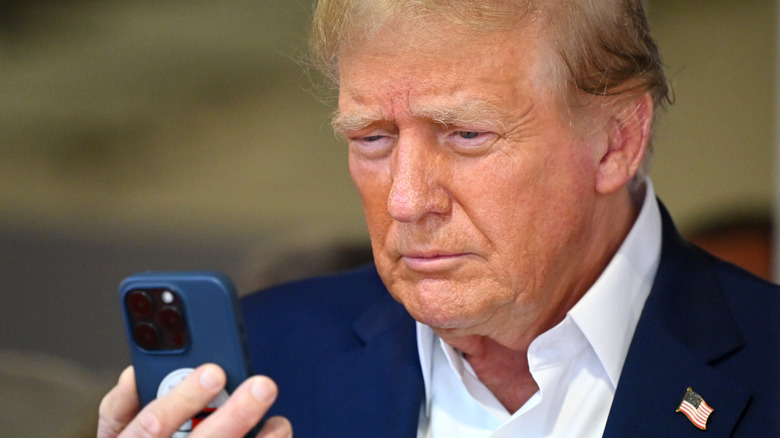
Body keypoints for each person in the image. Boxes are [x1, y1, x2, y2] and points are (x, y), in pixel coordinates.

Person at [98, 0, 780, 437]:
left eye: (465, 135)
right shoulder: (260, 362)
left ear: (616, 141)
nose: (405, 200)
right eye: (372, 138)